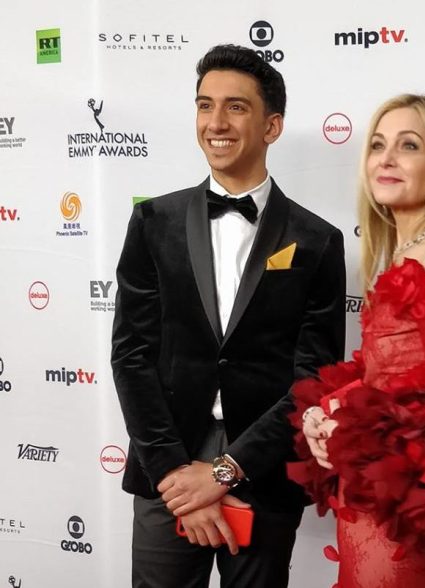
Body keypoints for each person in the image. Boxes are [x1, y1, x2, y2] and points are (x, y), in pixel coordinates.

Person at [111, 44, 346, 588]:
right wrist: (177, 475)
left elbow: (314, 378)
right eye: (204, 105)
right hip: (165, 463)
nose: (215, 122)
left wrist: (226, 470)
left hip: (263, 466)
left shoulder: (317, 240)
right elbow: (132, 356)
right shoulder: (152, 222)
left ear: (272, 126)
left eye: (236, 107)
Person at [290, 94, 425, 587]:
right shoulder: (407, 253)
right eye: (378, 145)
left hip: (400, 506)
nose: (386, 158)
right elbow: (381, 377)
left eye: (408, 145)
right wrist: (324, 412)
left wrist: (348, 425)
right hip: (370, 493)